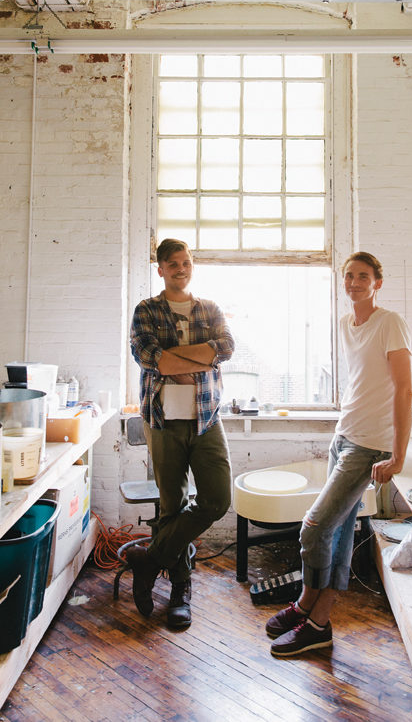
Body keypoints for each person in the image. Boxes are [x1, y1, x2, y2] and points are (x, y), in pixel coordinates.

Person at [266, 251, 412, 657]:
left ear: (377, 282)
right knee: (338, 534)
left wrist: (397, 455)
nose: (353, 282)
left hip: (368, 446)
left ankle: (311, 611)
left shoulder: (390, 323)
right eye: (348, 276)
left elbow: (404, 391)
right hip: (343, 437)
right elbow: (362, 384)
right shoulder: (348, 324)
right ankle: (313, 617)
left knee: (313, 528)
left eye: (363, 276)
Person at [128, 238, 234, 629]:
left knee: (217, 499)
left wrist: (176, 361)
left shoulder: (210, 308)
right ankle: (180, 590)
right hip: (163, 420)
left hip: (206, 417)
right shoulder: (147, 310)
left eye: (186, 262)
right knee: (172, 507)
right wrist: (194, 358)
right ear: (160, 269)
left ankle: (150, 560)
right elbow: (149, 356)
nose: (180, 268)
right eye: (172, 263)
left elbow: (226, 347)